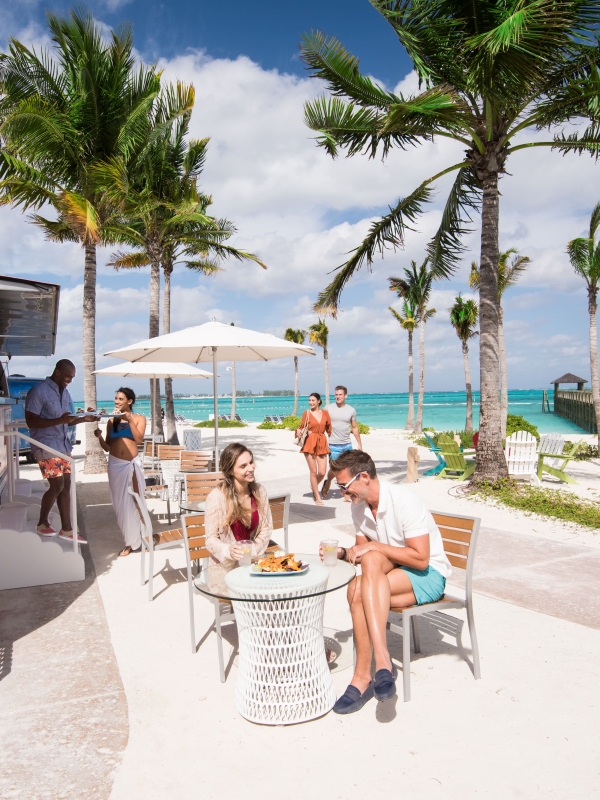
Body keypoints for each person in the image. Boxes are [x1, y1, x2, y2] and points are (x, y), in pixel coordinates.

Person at [326, 449, 451, 715]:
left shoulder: (404, 501)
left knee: (359, 589)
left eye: (344, 487)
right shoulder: (359, 508)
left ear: (364, 477)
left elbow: (420, 559)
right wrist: (342, 554)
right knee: (363, 573)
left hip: (427, 575)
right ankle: (379, 666)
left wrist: (375, 548)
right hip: (391, 573)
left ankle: (367, 674)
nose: (342, 493)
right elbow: (363, 554)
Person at [24, 359, 98, 543]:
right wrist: (60, 420)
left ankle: (67, 529)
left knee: (66, 485)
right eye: (67, 376)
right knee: (57, 485)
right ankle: (42, 522)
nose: (70, 380)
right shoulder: (38, 391)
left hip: (62, 445)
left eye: (72, 377)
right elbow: (31, 421)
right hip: (45, 444)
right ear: (57, 372)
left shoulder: (65, 393)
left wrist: (85, 419)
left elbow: (67, 420)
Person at [204, 443, 273, 593]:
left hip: (254, 563)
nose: (251, 468)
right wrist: (228, 550)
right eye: (243, 466)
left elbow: (267, 528)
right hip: (225, 569)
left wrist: (254, 550)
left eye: (251, 462)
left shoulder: (259, 492)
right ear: (230, 471)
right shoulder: (217, 497)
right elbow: (210, 539)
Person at [94, 388, 149, 557]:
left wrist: (128, 420)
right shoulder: (111, 421)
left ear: (130, 401)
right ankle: (130, 542)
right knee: (120, 504)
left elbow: (139, 439)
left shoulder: (140, 418)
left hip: (131, 463)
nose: (117, 401)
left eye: (121, 399)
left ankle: (146, 536)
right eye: (116, 398)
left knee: (137, 499)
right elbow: (109, 447)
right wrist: (100, 437)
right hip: (114, 464)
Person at [322, 385, 362, 499]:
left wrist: (359, 444)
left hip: (347, 444)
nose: (338, 396)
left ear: (345, 395)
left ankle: (346, 492)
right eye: (336, 394)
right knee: (335, 470)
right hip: (333, 445)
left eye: (340, 394)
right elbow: (321, 423)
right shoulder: (328, 408)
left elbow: (354, 427)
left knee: (348, 469)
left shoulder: (351, 410)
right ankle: (328, 481)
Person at [296, 392, 332, 506]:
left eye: (313, 400)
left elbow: (329, 429)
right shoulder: (306, 413)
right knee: (313, 471)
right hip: (310, 442)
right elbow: (301, 427)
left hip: (322, 442)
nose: (311, 402)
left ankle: (314, 485)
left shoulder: (325, 413)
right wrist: (298, 431)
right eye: (309, 400)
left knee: (322, 472)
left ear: (319, 401)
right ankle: (317, 496)